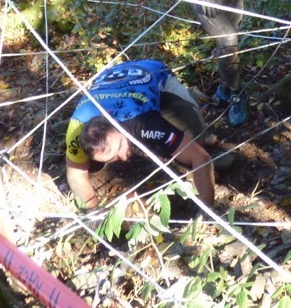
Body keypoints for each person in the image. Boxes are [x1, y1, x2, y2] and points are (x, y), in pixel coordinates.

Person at [65, 60, 215, 209]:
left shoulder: (143, 121)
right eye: (112, 158)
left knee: (194, 139)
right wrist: (94, 211)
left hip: (154, 73)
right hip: (110, 80)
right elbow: (75, 174)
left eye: (120, 146)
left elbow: (201, 157)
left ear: (117, 125)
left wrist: (206, 209)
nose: (124, 158)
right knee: (90, 166)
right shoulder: (75, 131)